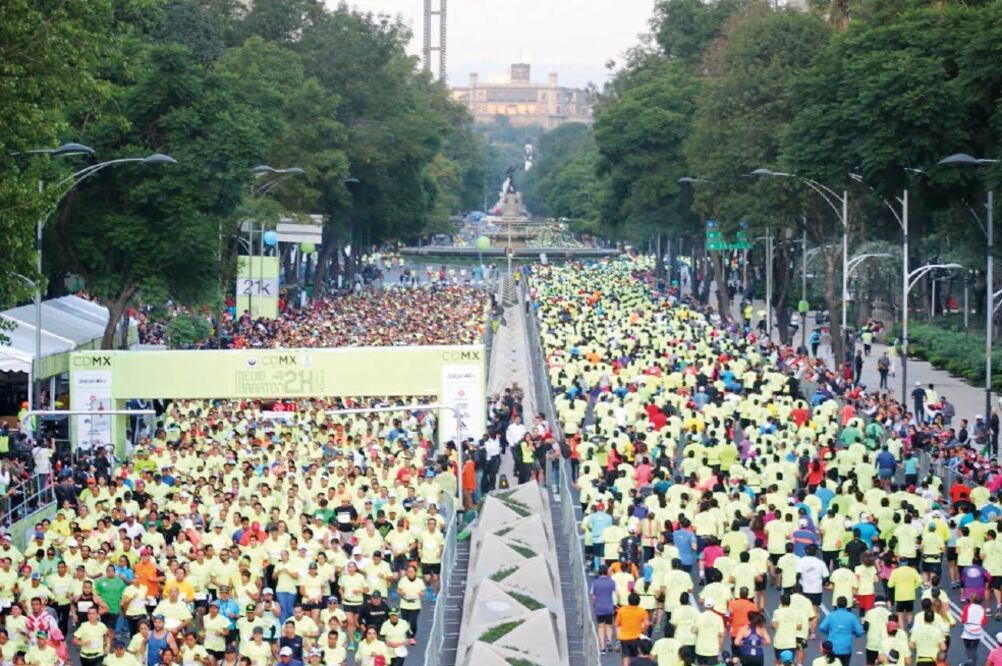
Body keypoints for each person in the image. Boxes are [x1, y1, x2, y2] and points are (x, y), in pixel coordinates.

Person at [818, 596, 863, 665]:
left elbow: (822, 627)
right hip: (846, 648)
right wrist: (852, 631)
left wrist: (829, 631)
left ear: (837, 604)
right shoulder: (851, 616)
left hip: (832, 648)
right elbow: (860, 632)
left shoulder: (831, 615)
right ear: (846, 604)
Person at [615, 593, 648, 666]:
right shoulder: (642, 611)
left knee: (626, 656)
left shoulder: (622, 610)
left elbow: (617, 624)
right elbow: (646, 623)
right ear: (638, 601)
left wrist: (618, 637)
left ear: (628, 601)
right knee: (635, 657)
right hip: (636, 637)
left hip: (624, 637)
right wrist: (643, 631)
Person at [591, 565, 617, 654]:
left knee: (601, 627)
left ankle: (602, 648)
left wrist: (594, 605)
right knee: (609, 626)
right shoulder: (612, 582)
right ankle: (609, 641)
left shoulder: (595, 583)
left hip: (599, 608)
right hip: (609, 607)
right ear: (607, 572)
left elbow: (593, 596)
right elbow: (616, 594)